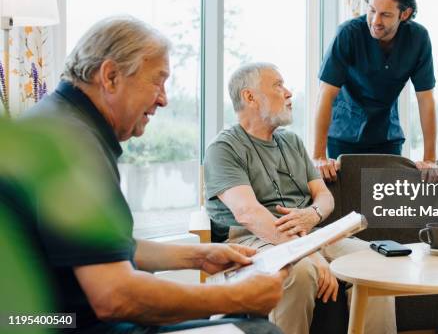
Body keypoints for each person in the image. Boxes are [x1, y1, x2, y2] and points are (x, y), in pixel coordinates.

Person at [23, 17, 285, 333]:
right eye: (157, 81)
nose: (163, 98)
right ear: (110, 76)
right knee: (259, 330)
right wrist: (234, 296)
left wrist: (199, 256)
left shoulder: (56, 121)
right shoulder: (74, 146)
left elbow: (101, 249)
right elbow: (114, 296)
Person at [204, 63, 397, 334]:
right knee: (300, 272)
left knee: (374, 263)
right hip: (254, 240)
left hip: (311, 234)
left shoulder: (292, 141)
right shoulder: (224, 148)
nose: (288, 93)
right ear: (249, 97)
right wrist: (312, 254)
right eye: (278, 85)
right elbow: (248, 214)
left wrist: (314, 214)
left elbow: (324, 196)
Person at [313, 0, 438, 182]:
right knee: (345, 204)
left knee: (386, 203)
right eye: (372, 10)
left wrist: (430, 159)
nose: (375, 21)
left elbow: (425, 99)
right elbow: (325, 94)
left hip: (386, 135)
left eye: (385, 15)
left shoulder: (418, 39)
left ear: (405, 14)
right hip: (344, 134)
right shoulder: (348, 34)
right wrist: (318, 156)